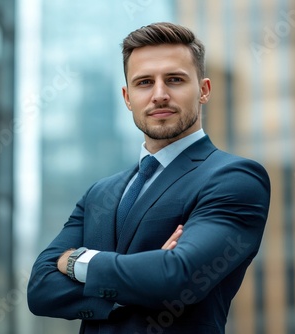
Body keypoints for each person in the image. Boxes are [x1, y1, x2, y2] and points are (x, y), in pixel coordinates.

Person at [27, 22, 271, 334]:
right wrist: (141, 281)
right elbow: (40, 289)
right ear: (128, 98)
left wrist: (76, 261)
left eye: (174, 79)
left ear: (204, 90)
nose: (159, 95)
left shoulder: (234, 179)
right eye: (144, 82)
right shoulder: (99, 194)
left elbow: (178, 277)